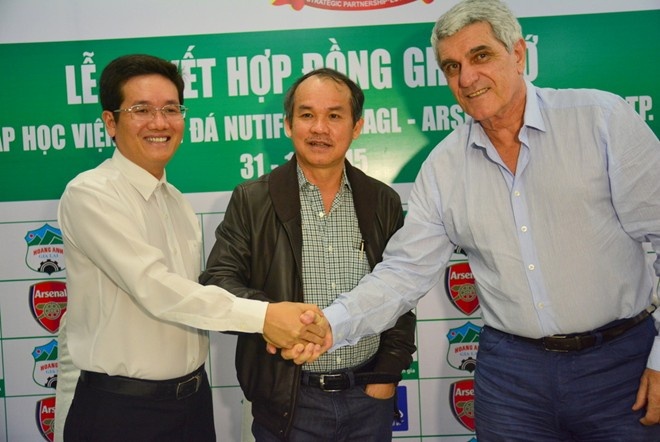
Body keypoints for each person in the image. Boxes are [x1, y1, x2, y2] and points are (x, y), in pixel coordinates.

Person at [287, 1, 660, 440]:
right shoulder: (444, 166)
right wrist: (332, 324)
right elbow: (404, 272)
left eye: (480, 56)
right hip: (512, 375)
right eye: (452, 66)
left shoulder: (601, 121)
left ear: (517, 53)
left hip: (621, 364)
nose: (466, 78)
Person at [56, 53, 326, 442]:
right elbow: (156, 289)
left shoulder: (177, 203)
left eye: (171, 109)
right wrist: (266, 317)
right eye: (141, 110)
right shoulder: (91, 195)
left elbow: (196, 294)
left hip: (192, 404)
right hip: (121, 411)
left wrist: (282, 324)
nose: (159, 122)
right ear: (111, 122)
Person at [200, 68, 417, 441]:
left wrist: (386, 376)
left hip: (368, 397)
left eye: (334, 115)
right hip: (289, 400)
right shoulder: (253, 199)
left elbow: (401, 290)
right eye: (306, 115)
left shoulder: (382, 200)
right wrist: (273, 317)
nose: (319, 128)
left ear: (357, 126)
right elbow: (218, 284)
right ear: (288, 124)